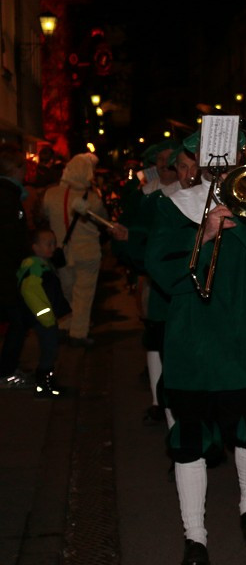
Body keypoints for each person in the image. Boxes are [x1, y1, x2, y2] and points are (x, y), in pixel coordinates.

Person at [146, 132, 246, 565]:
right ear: (196, 160)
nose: (219, 163)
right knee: (190, 437)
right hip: (194, 338)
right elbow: (159, 268)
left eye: (228, 156)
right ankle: (195, 535)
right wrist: (205, 234)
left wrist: (241, 219)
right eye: (210, 156)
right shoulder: (171, 207)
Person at [41, 152, 128, 347]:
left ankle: (65, 325)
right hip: (87, 251)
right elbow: (103, 218)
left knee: (66, 291)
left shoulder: (50, 194)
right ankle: (78, 333)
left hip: (60, 253)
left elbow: (45, 216)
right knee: (84, 292)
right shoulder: (92, 198)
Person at [121, 139, 181, 424]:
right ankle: (159, 402)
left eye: (171, 161)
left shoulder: (187, 193)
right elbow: (137, 232)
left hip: (178, 274)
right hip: (153, 276)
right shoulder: (145, 196)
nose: (164, 166)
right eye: (160, 161)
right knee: (156, 337)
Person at [17, 229, 72, 398]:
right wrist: (47, 317)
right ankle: (43, 386)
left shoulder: (43, 265)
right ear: (35, 247)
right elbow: (32, 295)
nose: (52, 247)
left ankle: (46, 381)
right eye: (48, 244)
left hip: (46, 319)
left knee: (51, 350)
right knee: (49, 351)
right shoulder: (35, 268)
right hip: (43, 320)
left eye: (54, 243)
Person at [0, 144, 32, 389]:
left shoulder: (11, 194)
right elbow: (11, 238)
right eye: (23, 165)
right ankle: (6, 373)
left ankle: (8, 368)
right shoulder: (8, 196)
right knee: (18, 321)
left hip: (8, 271)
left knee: (17, 320)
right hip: (7, 273)